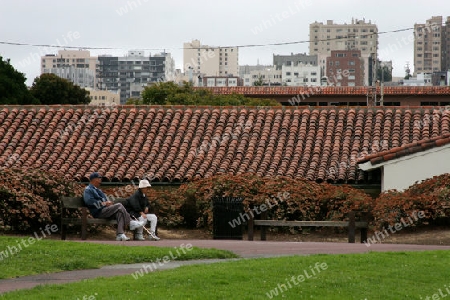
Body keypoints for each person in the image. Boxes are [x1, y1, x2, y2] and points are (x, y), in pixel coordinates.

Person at [83, 172, 144, 241]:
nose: (101, 180)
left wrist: (108, 203)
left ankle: (120, 234)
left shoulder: (98, 190)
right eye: (99, 178)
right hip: (98, 212)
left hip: (105, 210)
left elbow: (105, 201)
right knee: (119, 205)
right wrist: (103, 203)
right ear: (94, 179)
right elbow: (89, 201)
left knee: (120, 213)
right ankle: (130, 222)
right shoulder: (88, 189)